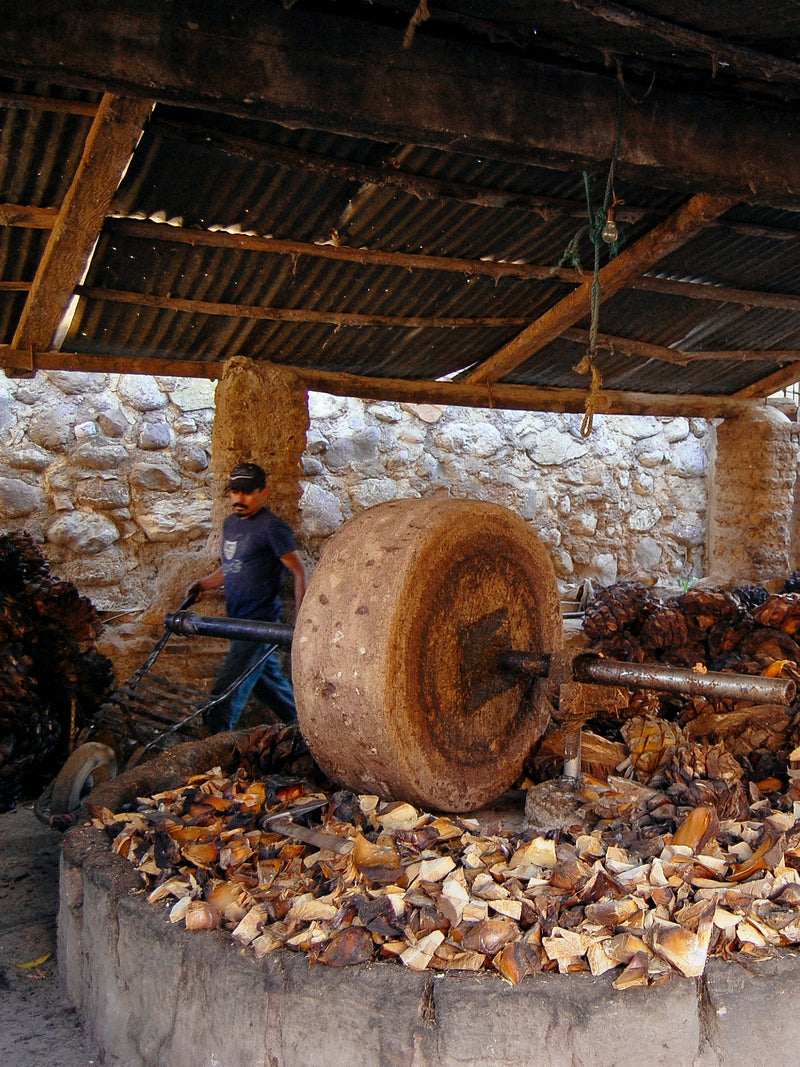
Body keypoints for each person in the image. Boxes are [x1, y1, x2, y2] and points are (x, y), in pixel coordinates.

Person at [188, 462, 307, 732]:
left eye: (247, 492)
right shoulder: (231, 525)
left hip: (259, 624)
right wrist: (204, 584)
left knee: (222, 699)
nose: (239, 498)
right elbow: (233, 566)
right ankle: (307, 729)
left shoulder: (272, 528)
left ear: (263, 493)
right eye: (235, 491)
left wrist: (302, 617)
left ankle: (215, 756)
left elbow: (299, 571)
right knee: (271, 689)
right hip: (237, 620)